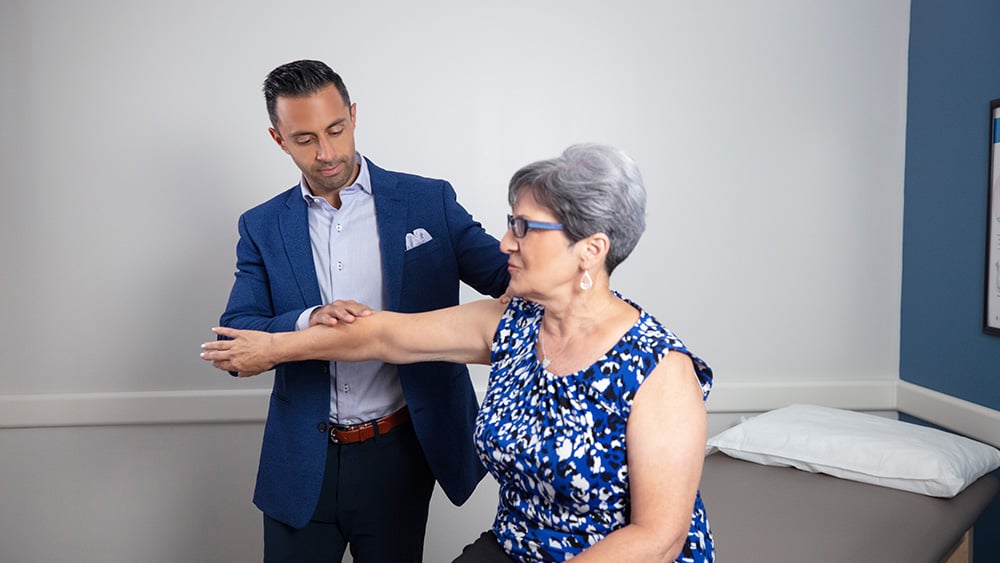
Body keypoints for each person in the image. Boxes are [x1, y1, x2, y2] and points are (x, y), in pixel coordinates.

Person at [204, 143, 715, 562]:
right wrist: (275, 346)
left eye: (524, 228)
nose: (504, 242)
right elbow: (380, 335)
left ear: (591, 249)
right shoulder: (509, 326)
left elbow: (658, 537)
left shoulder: (661, 372)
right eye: (509, 222)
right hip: (515, 549)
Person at [218, 59, 510, 562]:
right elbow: (236, 335)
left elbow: (514, 278)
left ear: (353, 115)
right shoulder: (262, 226)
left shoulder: (427, 202)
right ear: (278, 138)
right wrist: (309, 319)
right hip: (302, 459)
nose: (326, 152)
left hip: (399, 450)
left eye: (335, 129)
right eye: (304, 138)